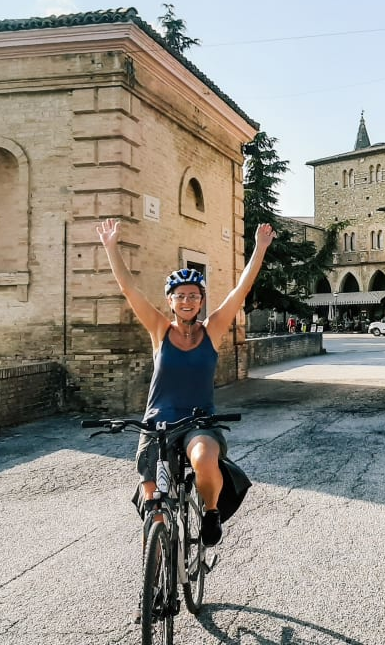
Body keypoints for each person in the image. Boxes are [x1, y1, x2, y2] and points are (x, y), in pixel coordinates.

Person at [96, 217, 276, 546]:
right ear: (170, 301)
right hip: (158, 423)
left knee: (204, 458)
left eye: (194, 295)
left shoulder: (213, 330)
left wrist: (259, 248)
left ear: (201, 300)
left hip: (199, 420)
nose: (187, 301)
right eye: (180, 296)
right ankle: (160, 554)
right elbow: (128, 288)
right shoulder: (160, 330)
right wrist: (111, 247)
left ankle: (210, 512)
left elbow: (241, 289)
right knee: (152, 498)